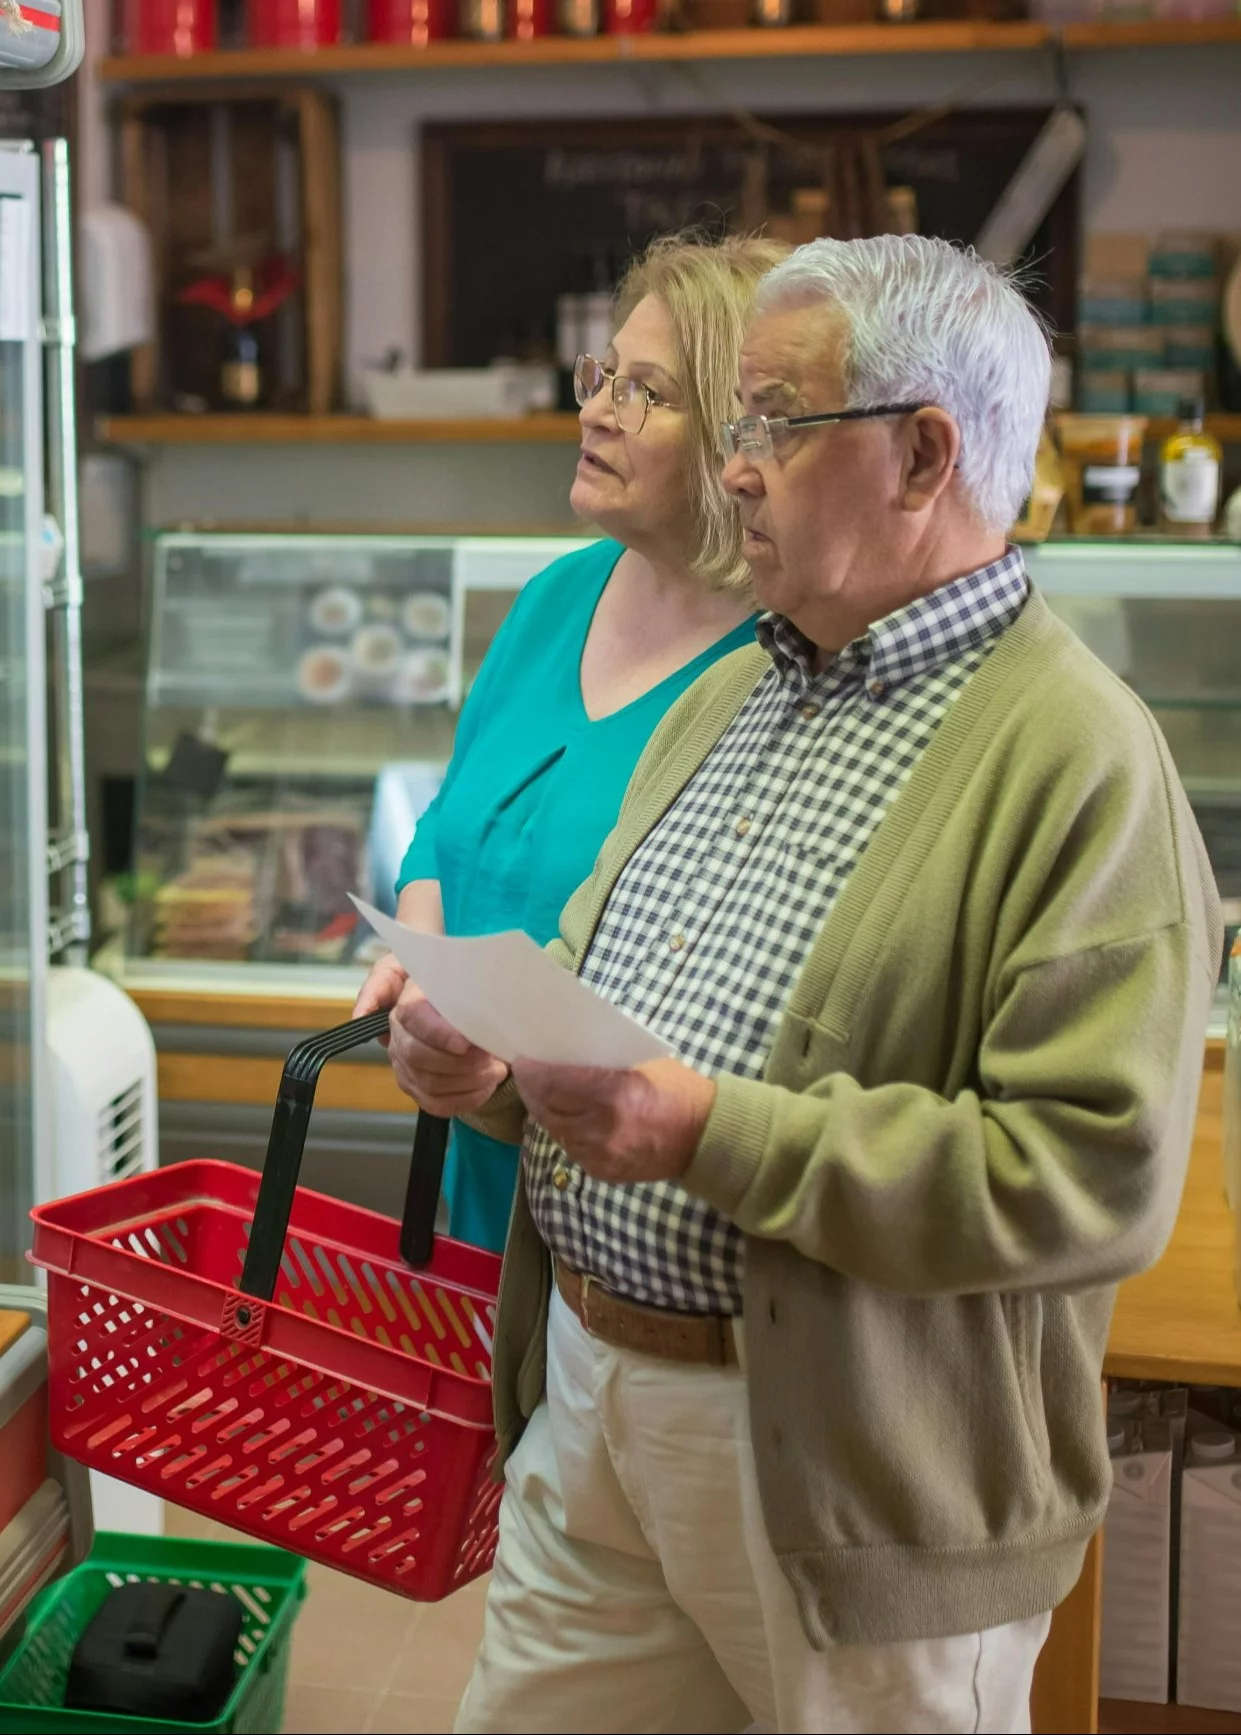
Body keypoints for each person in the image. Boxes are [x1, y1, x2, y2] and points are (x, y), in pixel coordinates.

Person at [388, 234, 1221, 1732]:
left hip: (852, 1484)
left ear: (924, 455)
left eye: (776, 421)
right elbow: (592, 967)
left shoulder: (1079, 758)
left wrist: (711, 1132)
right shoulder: (733, 687)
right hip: (591, 1405)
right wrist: (492, 1061)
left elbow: (1089, 1178)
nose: (736, 468)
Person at [355, 233, 782, 1251]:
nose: (593, 411)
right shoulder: (556, 596)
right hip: (480, 1192)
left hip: (643, 1225)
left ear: (737, 439)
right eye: (603, 375)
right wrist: (424, 975)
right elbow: (448, 822)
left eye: (646, 393)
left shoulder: (782, 662)